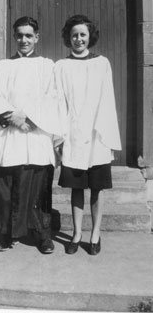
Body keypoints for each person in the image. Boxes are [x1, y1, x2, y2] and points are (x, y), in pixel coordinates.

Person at [0, 16, 63, 254]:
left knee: (38, 188)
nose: (24, 40)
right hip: (8, 136)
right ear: (14, 37)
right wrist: (12, 117)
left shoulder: (47, 66)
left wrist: (29, 119)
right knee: (4, 185)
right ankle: (3, 234)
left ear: (37, 37)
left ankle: (42, 235)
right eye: (20, 35)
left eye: (29, 35)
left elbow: (52, 97)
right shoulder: (3, 66)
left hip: (35, 135)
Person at [55, 14, 121, 255]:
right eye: (74, 35)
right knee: (76, 188)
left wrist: (109, 138)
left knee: (96, 188)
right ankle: (76, 233)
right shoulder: (61, 66)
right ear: (68, 38)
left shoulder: (102, 63)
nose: (78, 39)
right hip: (73, 135)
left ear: (89, 37)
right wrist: (59, 138)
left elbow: (108, 101)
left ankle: (95, 234)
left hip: (97, 135)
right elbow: (59, 103)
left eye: (83, 34)